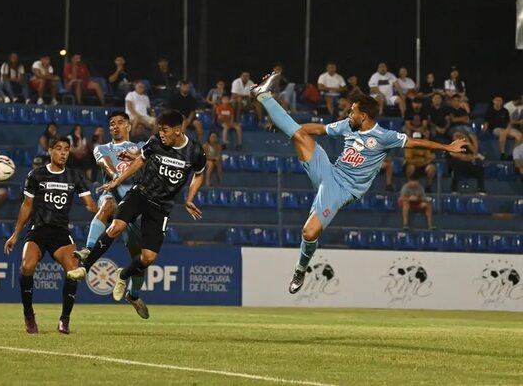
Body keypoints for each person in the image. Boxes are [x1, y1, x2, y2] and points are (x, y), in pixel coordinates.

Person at [251, 71, 466, 294]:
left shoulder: (384, 136)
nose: (348, 114)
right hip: (329, 171)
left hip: (343, 189)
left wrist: (447, 148)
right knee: (299, 135)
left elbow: (416, 143)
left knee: (309, 233)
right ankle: (262, 95)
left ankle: (300, 268)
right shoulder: (348, 126)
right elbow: (319, 130)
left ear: (363, 116)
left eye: (352, 111)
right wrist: (288, 126)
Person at [67, 110, 206, 303]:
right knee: (116, 226)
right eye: (160, 130)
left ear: (177, 130)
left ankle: (123, 275)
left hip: (161, 207)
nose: (161, 134)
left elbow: (199, 174)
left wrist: (190, 198)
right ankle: (85, 267)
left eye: (164, 130)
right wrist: (118, 181)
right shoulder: (155, 142)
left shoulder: (196, 151)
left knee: (148, 258)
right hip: (140, 193)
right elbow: (140, 160)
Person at [3, 136, 97, 334]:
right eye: (59, 148)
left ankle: (65, 319)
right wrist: (15, 235)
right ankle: (29, 314)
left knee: (73, 271)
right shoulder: (36, 175)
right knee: (27, 266)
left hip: (60, 232)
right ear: (50, 151)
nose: (63, 153)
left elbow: (90, 205)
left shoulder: (74, 176)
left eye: (66, 149)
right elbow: (26, 206)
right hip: (38, 230)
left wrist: (103, 210)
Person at [70, 112, 149, 318]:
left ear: (129, 126)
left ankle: (133, 295)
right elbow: (104, 162)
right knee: (106, 206)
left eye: (120, 123)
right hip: (111, 192)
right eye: (112, 124)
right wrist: (115, 176)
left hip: (134, 204)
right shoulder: (101, 148)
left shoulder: (141, 147)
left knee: (139, 261)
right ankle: (88, 249)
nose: (115, 127)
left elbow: (150, 162)